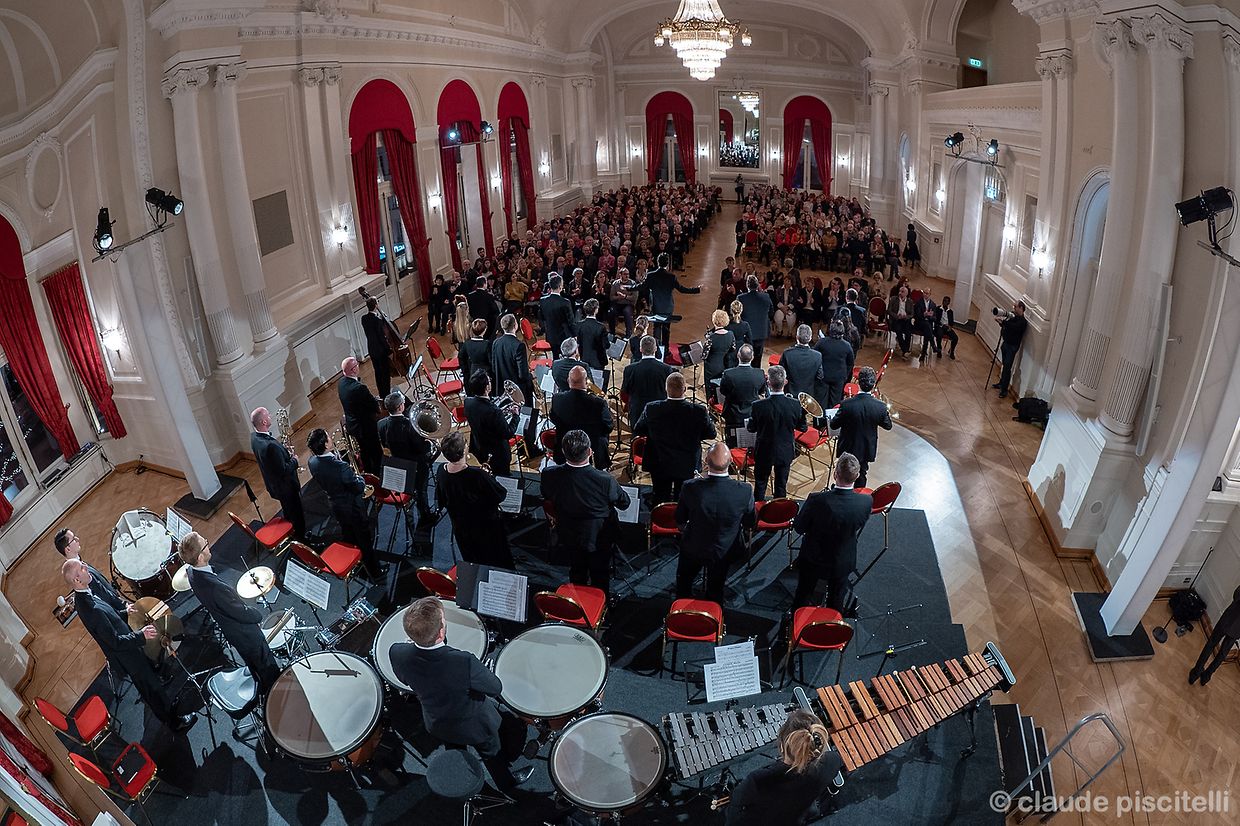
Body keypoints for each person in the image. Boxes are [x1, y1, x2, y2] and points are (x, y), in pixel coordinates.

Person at [390, 597, 532, 793]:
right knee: (492, 753)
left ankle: (464, 779)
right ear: (441, 632)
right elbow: (495, 688)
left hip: (437, 722)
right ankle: (506, 784)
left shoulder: (397, 652)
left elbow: (405, 679)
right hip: (475, 725)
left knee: (454, 747)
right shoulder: (463, 661)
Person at [63, 559, 196, 733]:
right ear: (77, 580)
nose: (86, 567)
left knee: (153, 683)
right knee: (151, 689)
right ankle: (174, 723)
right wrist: (142, 636)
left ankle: (168, 706)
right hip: (127, 656)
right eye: (82, 568)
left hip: (130, 648)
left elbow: (109, 618)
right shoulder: (89, 608)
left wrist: (125, 612)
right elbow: (115, 641)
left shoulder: (86, 594)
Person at [179, 532, 282, 692]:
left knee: (255, 668)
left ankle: (264, 686)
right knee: (267, 669)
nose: (208, 542)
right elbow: (239, 612)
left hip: (232, 633)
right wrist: (257, 615)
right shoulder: (214, 588)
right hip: (245, 635)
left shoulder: (191, 573)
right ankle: (276, 694)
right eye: (205, 544)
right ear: (200, 557)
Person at [540, 430, 631, 597]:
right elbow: (624, 503)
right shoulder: (605, 479)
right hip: (599, 537)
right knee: (600, 574)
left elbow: (547, 495)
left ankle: (578, 602)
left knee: (576, 569)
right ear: (590, 452)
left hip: (568, 533)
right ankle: (600, 604)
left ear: (563, 451)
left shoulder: (549, 474)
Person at [724, 709, 845, 826]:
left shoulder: (760, 779)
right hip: (796, 817)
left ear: (782, 746)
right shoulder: (833, 761)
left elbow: (736, 803)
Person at [791, 453, 872, 612]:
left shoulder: (816, 500)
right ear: (856, 477)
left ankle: (796, 623)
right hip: (843, 559)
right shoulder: (866, 501)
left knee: (803, 594)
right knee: (836, 600)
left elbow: (799, 527)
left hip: (814, 559)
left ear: (835, 474)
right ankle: (832, 628)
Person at [675, 442, 756, 602]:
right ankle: (714, 615)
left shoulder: (690, 487)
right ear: (731, 462)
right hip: (725, 550)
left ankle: (681, 610)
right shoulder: (745, 490)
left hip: (694, 547)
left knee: (684, 583)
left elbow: (680, 519)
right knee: (716, 588)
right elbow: (750, 521)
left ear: (706, 461)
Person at [633, 373, 716, 504]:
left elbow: (638, 429)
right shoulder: (698, 411)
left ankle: (658, 519)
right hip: (687, 464)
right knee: (682, 498)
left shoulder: (652, 408)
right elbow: (711, 434)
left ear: (666, 389)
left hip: (659, 462)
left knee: (659, 496)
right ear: (685, 390)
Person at [307, 428, 380, 578]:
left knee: (348, 534)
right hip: (352, 506)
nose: (331, 438)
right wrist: (359, 477)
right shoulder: (341, 467)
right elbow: (359, 486)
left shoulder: (312, 462)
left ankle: (354, 562)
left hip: (335, 505)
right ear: (326, 445)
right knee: (364, 538)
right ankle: (374, 571)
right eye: (328, 437)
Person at [435, 432, 514, 569]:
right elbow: (500, 495)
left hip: (461, 528)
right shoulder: (477, 475)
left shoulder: (441, 470)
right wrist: (489, 478)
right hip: (485, 527)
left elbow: (441, 499)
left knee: (473, 560)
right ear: (464, 450)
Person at [747, 365, 806, 501]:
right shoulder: (795, 404)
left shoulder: (758, 406)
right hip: (785, 451)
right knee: (781, 486)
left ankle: (758, 514)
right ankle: (779, 514)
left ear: (768, 382)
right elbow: (803, 428)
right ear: (785, 382)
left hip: (764, 450)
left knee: (760, 484)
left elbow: (751, 428)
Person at [829, 366, 892, 489]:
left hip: (848, 446)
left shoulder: (847, 404)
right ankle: (858, 495)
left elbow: (834, 424)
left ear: (858, 382)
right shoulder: (880, 406)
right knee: (862, 473)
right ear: (873, 385)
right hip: (866, 447)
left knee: (844, 472)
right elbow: (888, 425)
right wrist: (884, 410)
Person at [250, 407, 306, 540]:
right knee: (297, 514)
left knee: (288, 511)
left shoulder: (254, 438)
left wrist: (283, 453)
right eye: (268, 415)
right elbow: (284, 470)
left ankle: (293, 533)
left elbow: (271, 462)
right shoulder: (271, 446)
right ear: (264, 422)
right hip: (286, 488)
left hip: (275, 486)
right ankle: (302, 539)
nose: (270, 416)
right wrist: (294, 460)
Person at [377, 392, 435, 519]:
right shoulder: (410, 425)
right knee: (421, 490)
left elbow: (385, 444)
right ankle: (425, 515)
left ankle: (410, 501)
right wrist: (428, 444)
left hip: (399, 463)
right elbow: (420, 448)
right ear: (400, 407)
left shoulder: (381, 424)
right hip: (416, 465)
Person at [54, 528, 130, 615]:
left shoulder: (79, 563)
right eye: (74, 539)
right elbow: (102, 594)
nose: (77, 539)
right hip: (117, 609)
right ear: (68, 549)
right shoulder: (78, 571)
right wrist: (124, 607)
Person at [549, 366, 613, 469]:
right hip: (593, 450)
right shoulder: (599, 403)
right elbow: (608, 426)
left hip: (565, 447)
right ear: (586, 382)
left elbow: (554, 419)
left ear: (568, 380)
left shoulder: (557, 399)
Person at [463, 371, 518, 477]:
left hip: (479, 448)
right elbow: (508, 433)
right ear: (487, 387)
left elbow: (482, 417)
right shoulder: (493, 411)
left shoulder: (468, 402)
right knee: (502, 476)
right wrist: (515, 416)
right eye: (489, 381)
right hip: (498, 454)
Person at [645, 252, 701, 348]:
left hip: (656, 306)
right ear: (667, 264)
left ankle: (656, 350)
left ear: (658, 262)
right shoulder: (671, 277)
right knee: (666, 329)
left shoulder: (650, 275)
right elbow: (682, 290)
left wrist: (629, 287)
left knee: (657, 328)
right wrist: (697, 289)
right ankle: (666, 350)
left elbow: (641, 287)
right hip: (667, 307)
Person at [337, 356, 383, 474]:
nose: (358, 366)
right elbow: (373, 405)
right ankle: (379, 474)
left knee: (364, 451)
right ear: (353, 370)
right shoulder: (359, 388)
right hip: (365, 427)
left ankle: (368, 473)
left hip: (353, 424)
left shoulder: (341, 383)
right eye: (356, 365)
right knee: (376, 452)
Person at [1189, 586, 1240, 686]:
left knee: (1211, 643)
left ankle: (1196, 673)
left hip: (1229, 618)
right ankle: (1206, 676)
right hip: (1237, 629)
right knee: (1223, 653)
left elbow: (1236, 594)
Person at [620, 335, 674, 427]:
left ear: (641, 349)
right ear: (656, 349)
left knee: (637, 438)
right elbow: (670, 392)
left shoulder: (629, 369)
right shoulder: (666, 369)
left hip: (637, 411)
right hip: (659, 410)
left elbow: (625, 392)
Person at [719, 344, 767, 447]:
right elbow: (761, 391)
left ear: (738, 355)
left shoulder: (728, 374)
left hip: (733, 414)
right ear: (752, 357)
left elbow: (723, 391)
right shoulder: (760, 373)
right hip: (751, 414)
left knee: (732, 443)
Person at [491, 313, 534, 400]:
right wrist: (531, 375)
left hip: (502, 389)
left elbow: (494, 367)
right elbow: (523, 375)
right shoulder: (519, 345)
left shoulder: (496, 342)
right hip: (517, 390)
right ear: (515, 326)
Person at [813, 321, 856, 409]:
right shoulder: (847, 346)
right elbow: (850, 363)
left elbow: (814, 356)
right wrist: (845, 376)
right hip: (839, 378)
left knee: (821, 402)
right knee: (835, 403)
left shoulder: (822, 342)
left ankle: (821, 421)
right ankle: (832, 420)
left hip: (823, 376)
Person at [359, 297, 395, 399]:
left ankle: (382, 394)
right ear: (376, 305)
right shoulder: (378, 320)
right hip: (381, 351)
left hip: (372, 350)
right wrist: (389, 350)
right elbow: (381, 338)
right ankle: (387, 395)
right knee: (385, 373)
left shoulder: (364, 319)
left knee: (378, 373)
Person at [780, 325, 824, 400]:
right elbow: (820, 376)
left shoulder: (787, 353)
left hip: (790, 394)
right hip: (808, 396)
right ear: (810, 338)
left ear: (797, 337)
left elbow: (781, 373)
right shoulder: (817, 356)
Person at [994, 300, 1028, 398]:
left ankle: (1004, 390)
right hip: (1006, 343)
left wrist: (1003, 322)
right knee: (1004, 365)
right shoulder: (1013, 317)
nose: (1014, 308)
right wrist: (1001, 323)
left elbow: (1014, 328)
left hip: (1012, 347)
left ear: (1021, 308)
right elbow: (1008, 327)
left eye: (1016, 306)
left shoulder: (1022, 322)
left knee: (1007, 367)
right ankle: (1001, 383)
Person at [539, 274, 576, 358]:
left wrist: (545, 329)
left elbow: (541, 317)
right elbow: (571, 322)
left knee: (555, 357)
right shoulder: (565, 302)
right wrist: (575, 335)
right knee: (566, 358)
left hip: (551, 335)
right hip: (564, 336)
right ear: (560, 286)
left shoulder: (543, 300)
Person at [739, 275, 774, 363]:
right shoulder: (766, 297)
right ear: (758, 285)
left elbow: (738, 315)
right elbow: (771, 313)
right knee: (758, 359)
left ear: (747, 285)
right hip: (761, 332)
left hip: (747, 333)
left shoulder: (741, 298)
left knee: (746, 358)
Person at [576, 298, 610, 382]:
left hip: (584, 359)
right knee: (597, 385)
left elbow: (578, 342)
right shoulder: (601, 327)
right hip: (598, 361)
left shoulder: (579, 325)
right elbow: (605, 345)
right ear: (595, 310)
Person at [458, 319, 493, 395]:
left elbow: (460, 357)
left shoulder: (467, 344)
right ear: (484, 330)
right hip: (486, 373)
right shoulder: (486, 344)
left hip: (472, 371)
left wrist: (465, 370)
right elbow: (491, 361)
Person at [466, 275, 500, 341]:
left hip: (474, 323)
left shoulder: (470, 296)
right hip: (487, 324)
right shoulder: (489, 296)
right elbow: (495, 310)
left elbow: (469, 310)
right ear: (484, 284)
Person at [887, 285, 914, 357]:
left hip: (905, 320)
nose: (900, 293)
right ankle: (905, 351)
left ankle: (905, 351)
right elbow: (889, 311)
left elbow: (912, 314)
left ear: (906, 293)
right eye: (899, 291)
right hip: (896, 319)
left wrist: (906, 317)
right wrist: (897, 316)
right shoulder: (893, 299)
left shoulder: (910, 301)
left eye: (902, 292)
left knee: (908, 333)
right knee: (898, 332)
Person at [914, 287, 941, 357]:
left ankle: (923, 354)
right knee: (927, 327)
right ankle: (933, 346)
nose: (925, 295)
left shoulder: (933, 304)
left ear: (930, 294)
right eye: (924, 293)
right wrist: (924, 314)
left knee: (927, 330)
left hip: (928, 325)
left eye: (927, 293)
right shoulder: (918, 302)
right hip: (919, 323)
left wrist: (930, 316)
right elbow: (916, 315)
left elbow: (935, 318)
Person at [938, 295, 960, 360]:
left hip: (947, 327)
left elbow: (952, 322)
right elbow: (936, 320)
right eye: (943, 301)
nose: (944, 302)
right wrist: (941, 324)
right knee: (939, 335)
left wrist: (950, 326)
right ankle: (939, 350)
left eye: (946, 301)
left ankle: (951, 351)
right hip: (940, 326)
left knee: (955, 338)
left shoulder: (950, 312)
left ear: (948, 303)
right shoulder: (938, 309)